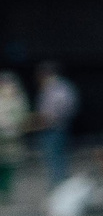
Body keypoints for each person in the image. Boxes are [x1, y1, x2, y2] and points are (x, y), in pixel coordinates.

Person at [31, 59, 77, 190]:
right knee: (51, 159)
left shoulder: (60, 87)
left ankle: (60, 187)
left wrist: (51, 119)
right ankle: (56, 186)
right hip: (47, 129)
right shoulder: (48, 88)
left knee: (57, 159)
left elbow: (65, 107)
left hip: (56, 128)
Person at [0, 68, 25, 200]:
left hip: (11, 135)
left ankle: (6, 191)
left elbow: (21, 115)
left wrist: (14, 124)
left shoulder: (17, 98)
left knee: (9, 163)